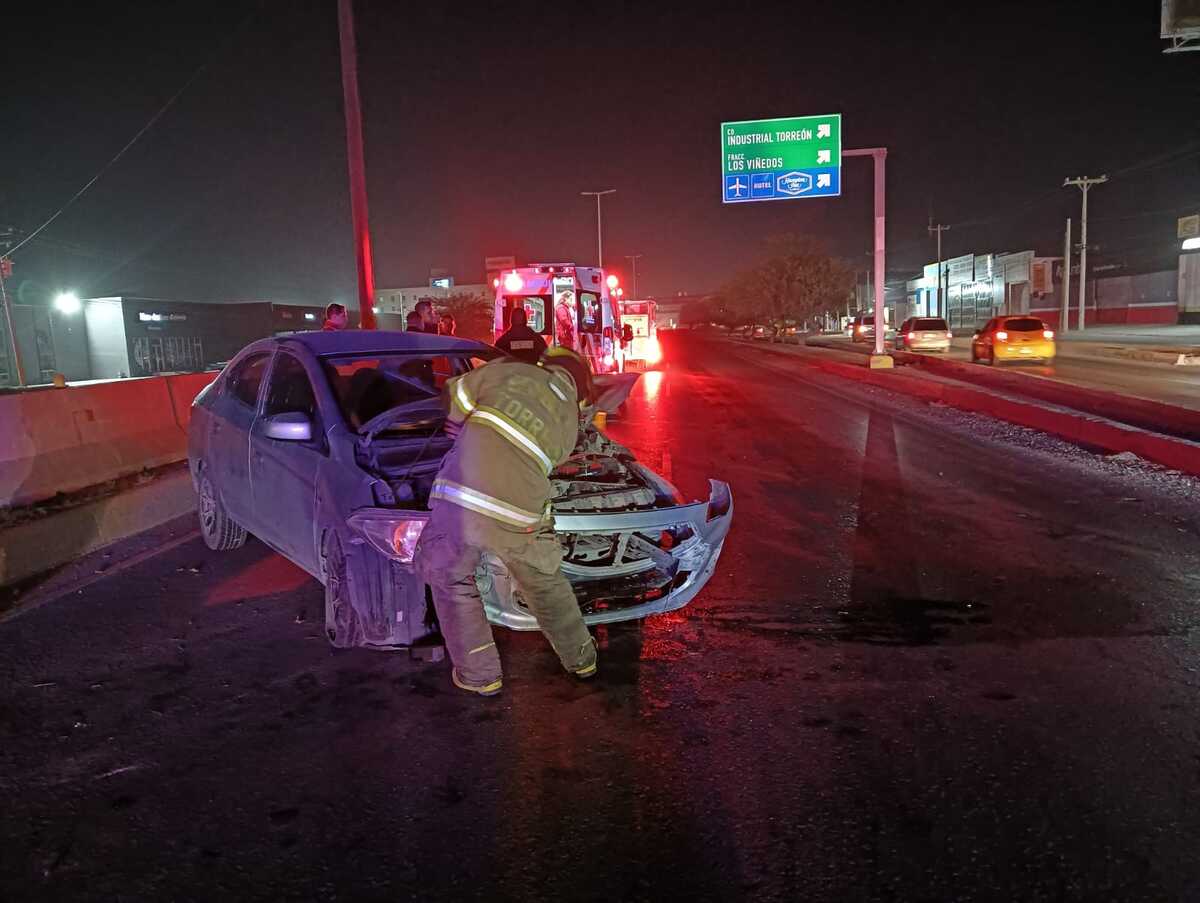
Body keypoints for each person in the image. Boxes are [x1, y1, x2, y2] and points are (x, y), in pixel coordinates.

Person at [414, 347, 598, 696]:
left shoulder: (511, 370)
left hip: (463, 501)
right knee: (545, 583)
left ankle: (481, 676)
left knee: (451, 576)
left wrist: (463, 422)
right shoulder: (570, 418)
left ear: (546, 364)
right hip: (522, 514)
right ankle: (582, 659)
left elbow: (454, 397)